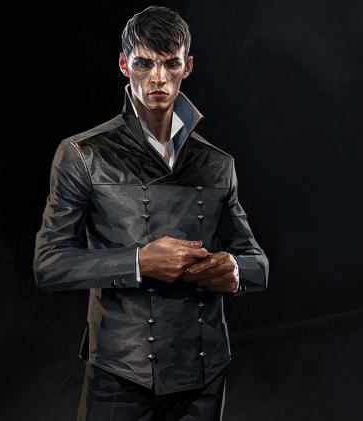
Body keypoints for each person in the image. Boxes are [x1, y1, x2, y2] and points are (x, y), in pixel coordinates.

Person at [33, 5, 269, 420]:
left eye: (170, 63)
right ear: (124, 65)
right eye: (145, 63)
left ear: (187, 67)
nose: (158, 78)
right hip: (120, 373)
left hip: (203, 373)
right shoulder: (83, 154)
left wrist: (233, 269)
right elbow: (49, 264)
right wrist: (140, 261)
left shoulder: (217, 163)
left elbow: (258, 264)